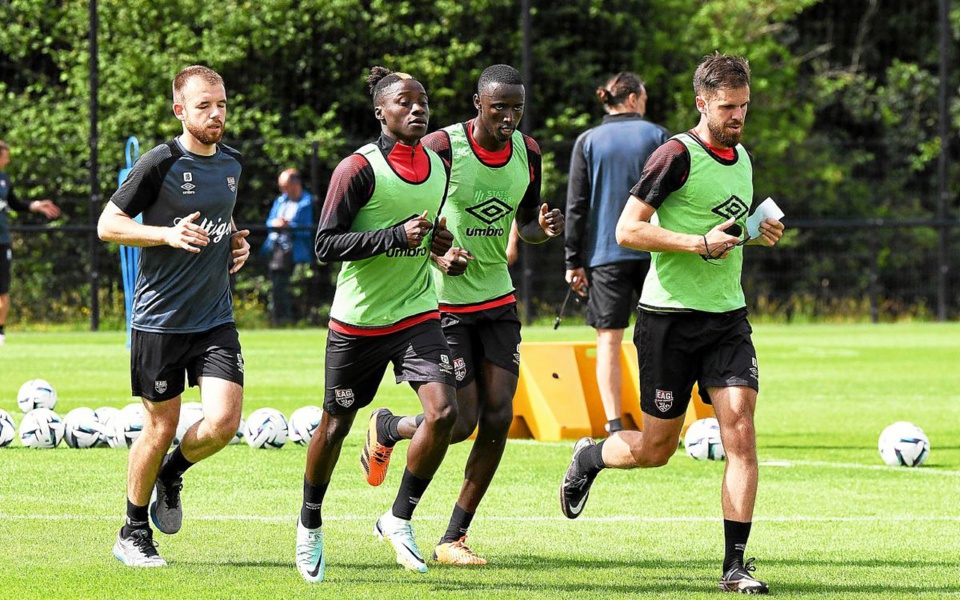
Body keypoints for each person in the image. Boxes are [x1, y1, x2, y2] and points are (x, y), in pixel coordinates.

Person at [559, 53, 784, 594]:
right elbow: (627, 230)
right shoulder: (674, 155)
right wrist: (697, 243)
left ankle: (734, 566)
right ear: (702, 102)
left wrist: (757, 232)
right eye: (728, 107)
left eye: (744, 106)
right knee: (655, 450)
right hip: (668, 321)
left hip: (727, 318)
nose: (737, 117)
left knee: (742, 432)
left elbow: (724, 228)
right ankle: (591, 455)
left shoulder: (743, 157)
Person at [360, 64, 564, 566]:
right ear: (478, 103)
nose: (510, 118)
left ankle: (454, 536)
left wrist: (542, 228)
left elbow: (525, 227)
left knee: (498, 417)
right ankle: (392, 429)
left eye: (517, 108)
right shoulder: (442, 148)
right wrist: (437, 252)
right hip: (441, 304)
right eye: (500, 108)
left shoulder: (529, 152)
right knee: (458, 418)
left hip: (497, 300)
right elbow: (406, 217)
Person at [295, 66, 467, 583]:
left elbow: (428, 235)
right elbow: (326, 245)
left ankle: (398, 518)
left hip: (416, 313)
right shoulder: (357, 168)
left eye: (423, 102)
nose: (417, 109)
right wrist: (394, 236)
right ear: (380, 112)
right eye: (403, 102)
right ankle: (309, 525)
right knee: (335, 424)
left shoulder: (439, 165)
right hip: (359, 321)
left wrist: (442, 254)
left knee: (445, 413)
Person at [97, 65, 251, 568]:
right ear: (179, 109)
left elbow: (219, 218)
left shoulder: (232, 163)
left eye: (221, 104)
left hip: (214, 317)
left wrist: (234, 242)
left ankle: (172, 472)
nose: (215, 114)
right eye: (204, 105)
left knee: (225, 421)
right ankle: (132, 531)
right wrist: (165, 234)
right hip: (160, 320)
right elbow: (107, 225)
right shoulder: (159, 162)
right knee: (158, 428)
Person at [564, 72, 669, 435]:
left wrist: (573, 261)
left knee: (609, 339)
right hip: (654, 251)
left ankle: (613, 424)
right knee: (658, 335)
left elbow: (576, 205)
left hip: (605, 254)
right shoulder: (658, 136)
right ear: (635, 98)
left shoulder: (588, 140)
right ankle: (661, 415)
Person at [0, 141, 61, 346]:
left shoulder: (4, 180)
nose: (8, 159)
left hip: (3, 241)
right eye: (6, 155)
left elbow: (15, 203)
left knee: (3, 289)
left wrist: (36, 205)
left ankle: (0, 332)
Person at [261, 168, 314, 325]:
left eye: (285, 186)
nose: (282, 190)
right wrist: (276, 223)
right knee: (277, 286)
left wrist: (290, 225)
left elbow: (310, 228)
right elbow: (269, 221)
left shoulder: (308, 202)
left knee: (294, 288)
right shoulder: (281, 200)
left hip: (297, 251)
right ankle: (280, 318)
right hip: (276, 251)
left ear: (295, 185)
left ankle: (295, 319)